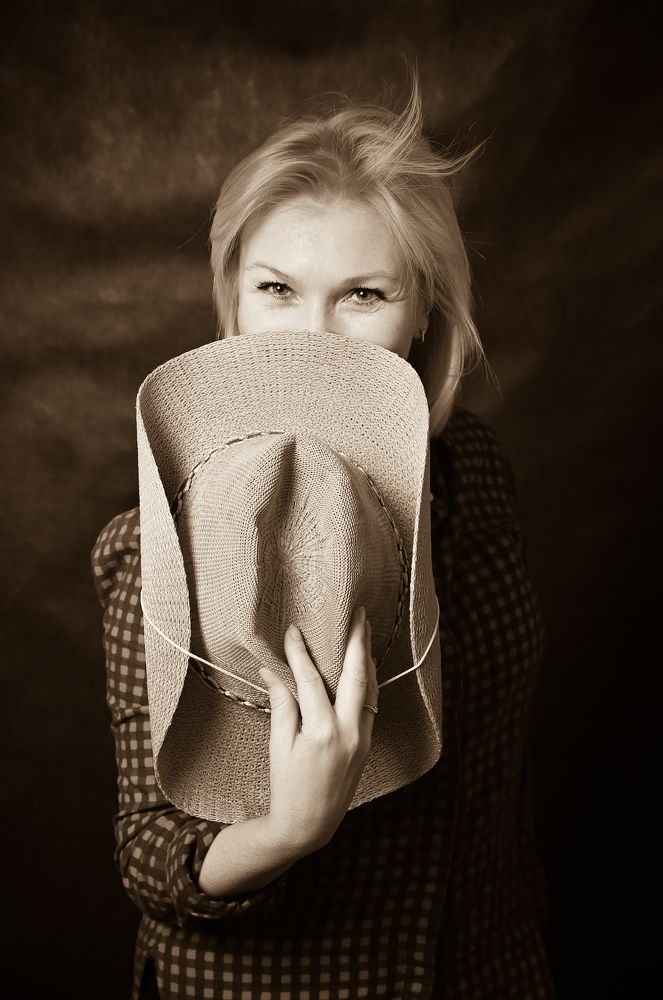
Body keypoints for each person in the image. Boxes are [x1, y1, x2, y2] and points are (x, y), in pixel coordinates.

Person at [91, 77, 557, 999]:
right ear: (232, 302)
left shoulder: (470, 470)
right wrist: (286, 832)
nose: (313, 337)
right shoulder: (158, 545)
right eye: (277, 289)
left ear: (422, 312)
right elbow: (150, 855)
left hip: (485, 964)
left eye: (362, 294)